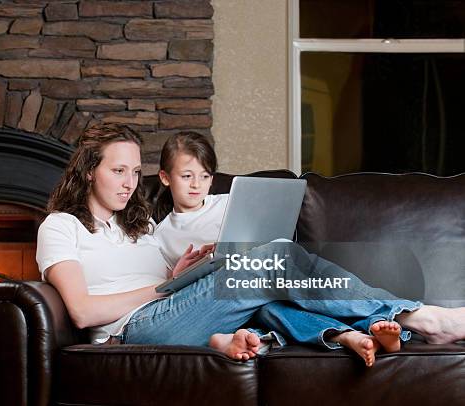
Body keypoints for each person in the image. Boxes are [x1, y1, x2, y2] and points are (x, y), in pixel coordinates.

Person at [36, 124, 465, 363]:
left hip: (170, 309)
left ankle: (360, 333)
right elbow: (82, 310)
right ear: (90, 170)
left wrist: (180, 276)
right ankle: (420, 317)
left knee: (270, 300)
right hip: (132, 331)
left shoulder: (140, 224)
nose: (130, 183)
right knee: (275, 258)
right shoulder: (60, 227)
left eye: (134, 171)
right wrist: (165, 289)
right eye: (118, 171)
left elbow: (155, 283)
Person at [153, 131, 406, 366]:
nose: (196, 184)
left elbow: (268, 240)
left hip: (259, 279)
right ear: (165, 178)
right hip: (223, 303)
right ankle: (364, 329)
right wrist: (180, 274)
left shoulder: (229, 202)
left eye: (205, 176)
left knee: (276, 302)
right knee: (269, 310)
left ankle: (354, 334)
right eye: (187, 176)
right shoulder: (161, 234)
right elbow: (172, 297)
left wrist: (237, 250)